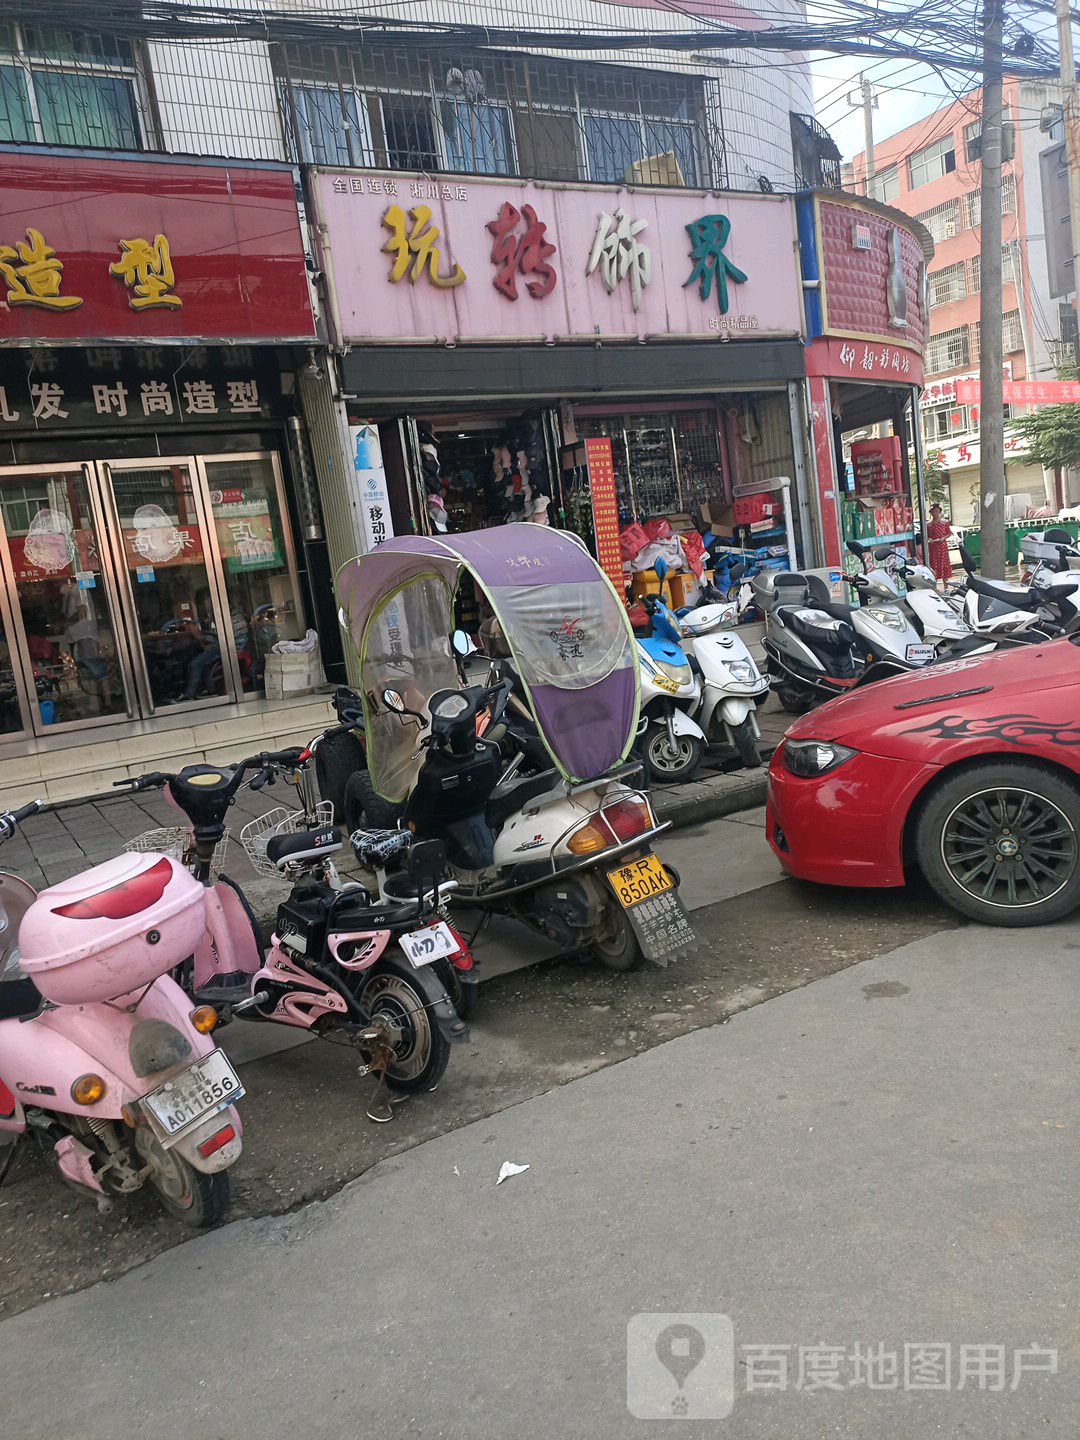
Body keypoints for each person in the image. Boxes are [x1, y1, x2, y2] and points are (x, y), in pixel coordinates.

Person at [925, 503, 953, 586]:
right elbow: (926, 536)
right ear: (931, 513)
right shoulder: (928, 524)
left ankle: (946, 587)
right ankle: (934, 586)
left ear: (939, 512)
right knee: (934, 566)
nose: (935, 513)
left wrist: (943, 538)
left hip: (942, 547)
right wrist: (929, 539)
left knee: (944, 565)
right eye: (933, 512)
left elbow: (948, 533)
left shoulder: (944, 523)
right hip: (933, 547)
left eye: (937, 511)